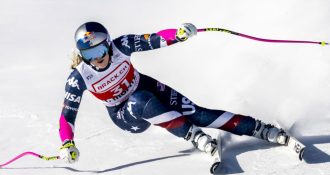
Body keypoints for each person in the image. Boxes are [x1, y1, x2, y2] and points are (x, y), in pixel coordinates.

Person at [59, 22, 288, 163]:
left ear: (108, 44)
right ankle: (193, 136)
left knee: (198, 113)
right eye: (89, 55)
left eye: (100, 49)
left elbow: (153, 39)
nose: (97, 58)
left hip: (145, 86)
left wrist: (177, 35)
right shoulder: (79, 77)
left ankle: (260, 128)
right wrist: (67, 143)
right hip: (125, 115)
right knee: (139, 101)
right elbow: (67, 115)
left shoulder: (122, 46)